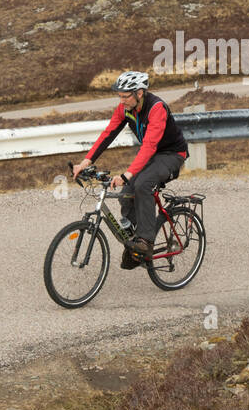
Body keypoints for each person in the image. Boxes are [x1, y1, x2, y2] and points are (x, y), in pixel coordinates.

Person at [71, 71, 188, 268]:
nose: (121, 100)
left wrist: (127, 174)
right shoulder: (125, 108)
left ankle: (146, 242)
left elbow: (150, 146)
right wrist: (86, 161)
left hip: (172, 155)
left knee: (142, 185)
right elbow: (108, 134)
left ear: (139, 93)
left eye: (125, 96)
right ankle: (135, 243)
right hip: (151, 156)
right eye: (120, 96)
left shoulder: (156, 108)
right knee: (126, 194)